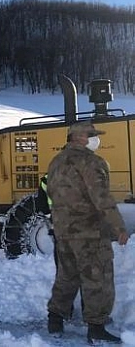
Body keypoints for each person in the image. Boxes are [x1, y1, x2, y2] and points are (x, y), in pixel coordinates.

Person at [46, 121, 128, 344]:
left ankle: (55, 319)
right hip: (89, 232)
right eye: (92, 135)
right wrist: (119, 226)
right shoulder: (91, 162)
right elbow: (101, 197)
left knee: (67, 276)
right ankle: (96, 327)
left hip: (63, 230)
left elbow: (51, 194)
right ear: (79, 138)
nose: (96, 139)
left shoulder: (56, 162)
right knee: (98, 277)